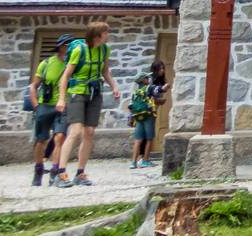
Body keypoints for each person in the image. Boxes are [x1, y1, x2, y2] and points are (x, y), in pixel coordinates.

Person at [52, 20, 120, 187]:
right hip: (77, 93)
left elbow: (104, 71)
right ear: (98, 35)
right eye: (106, 33)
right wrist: (61, 98)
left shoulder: (105, 49)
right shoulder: (78, 50)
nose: (108, 35)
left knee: (89, 132)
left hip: (95, 92)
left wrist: (114, 86)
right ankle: (60, 174)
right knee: (75, 131)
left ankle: (80, 173)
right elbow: (65, 76)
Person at [27, 34, 75, 186]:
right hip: (45, 106)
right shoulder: (46, 64)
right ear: (60, 46)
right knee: (41, 140)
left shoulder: (73, 64)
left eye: (71, 45)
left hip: (63, 106)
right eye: (67, 45)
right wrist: (36, 106)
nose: (69, 48)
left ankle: (55, 171)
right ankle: (38, 168)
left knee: (60, 137)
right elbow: (33, 86)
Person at [129, 61, 169, 168]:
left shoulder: (136, 91)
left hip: (138, 116)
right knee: (149, 137)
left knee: (138, 139)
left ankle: (133, 162)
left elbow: (131, 105)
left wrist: (131, 117)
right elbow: (158, 90)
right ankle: (145, 160)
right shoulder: (149, 87)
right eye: (160, 69)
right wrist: (165, 88)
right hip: (149, 114)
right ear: (144, 80)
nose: (162, 71)